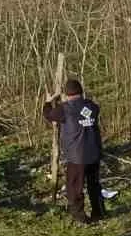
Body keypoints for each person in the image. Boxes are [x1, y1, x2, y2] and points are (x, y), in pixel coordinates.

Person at [42, 78, 105, 223]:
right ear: (81, 92)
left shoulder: (65, 108)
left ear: (66, 94)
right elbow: (87, 112)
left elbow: (49, 115)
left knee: (74, 188)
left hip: (77, 157)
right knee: (94, 185)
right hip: (94, 152)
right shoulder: (92, 107)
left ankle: (80, 217)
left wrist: (47, 102)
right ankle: (99, 212)